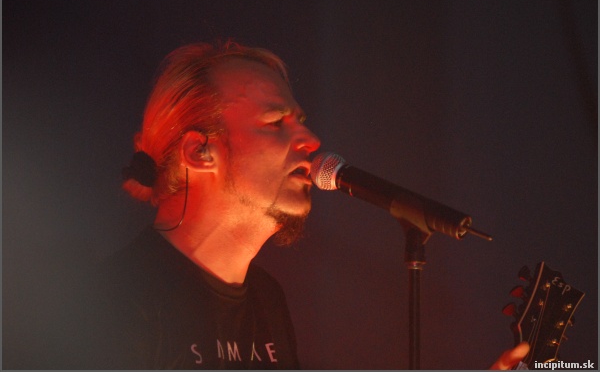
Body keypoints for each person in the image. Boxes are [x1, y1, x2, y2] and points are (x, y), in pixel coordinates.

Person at [80, 40, 528, 369]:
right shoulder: (112, 303)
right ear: (200, 152)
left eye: (301, 121)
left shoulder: (267, 300)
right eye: (276, 121)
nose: (311, 141)